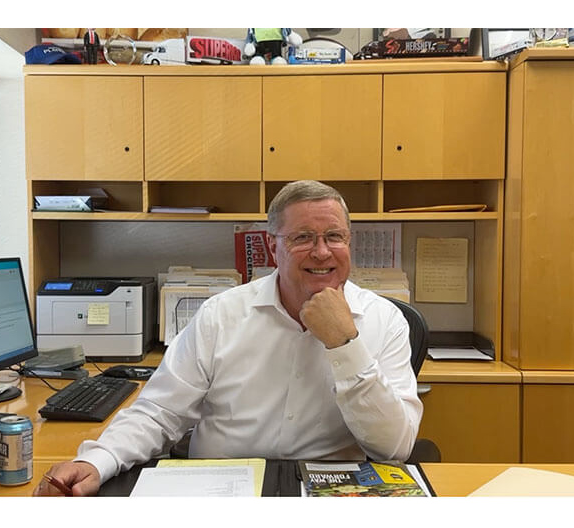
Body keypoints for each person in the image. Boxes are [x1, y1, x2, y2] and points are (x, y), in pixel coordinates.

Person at [34, 180, 422, 496]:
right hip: (220, 487)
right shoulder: (221, 315)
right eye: (303, 237)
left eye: (334, 236)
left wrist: (345, 345)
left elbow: (394, 447)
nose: (322, 252)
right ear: (274, 246)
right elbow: (160, 413)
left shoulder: (383, 320)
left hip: (325, 491)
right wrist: (96, 461)